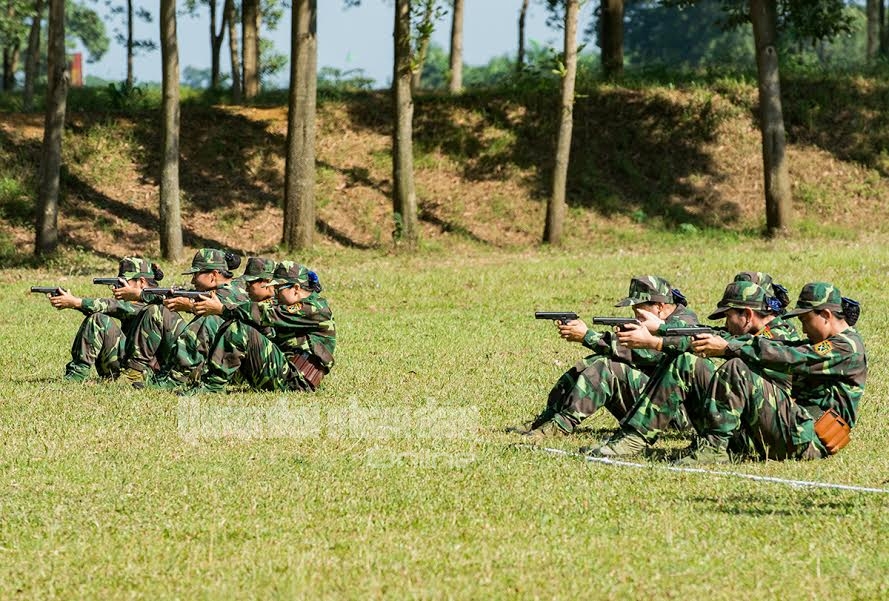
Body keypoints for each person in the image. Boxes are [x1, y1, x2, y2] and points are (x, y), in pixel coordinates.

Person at [587, 277, 799, 457]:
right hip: (747, 428)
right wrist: (661, 328)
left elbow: (748, 346)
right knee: (686, 360)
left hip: (769, 437)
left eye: (728, 316)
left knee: (712, 364)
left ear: (748, 315)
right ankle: (635, 436)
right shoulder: (753, 331)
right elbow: (705, 334)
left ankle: (640, 438)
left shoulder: (781, 335)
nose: (726, 323)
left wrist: (654, 341)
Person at [685, 282, 867, 463]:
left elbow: (792, 357)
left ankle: (714, 450)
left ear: (825, 315)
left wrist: (729, 347)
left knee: (738, 369)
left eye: (805, 320)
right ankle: (715, 444)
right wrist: (728, 343)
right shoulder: (832, 342)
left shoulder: (847, 347)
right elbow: (782, 347)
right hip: (798, 429)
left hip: (809, 439)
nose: (803, 329)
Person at [510, 275, 699, 439]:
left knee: (607, 369)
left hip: (677, 416)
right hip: (658, 404)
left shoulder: (684, 323)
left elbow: (646, 352)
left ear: (659, 306)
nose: (637, 317)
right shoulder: (666, 319)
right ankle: (550, 417)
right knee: (590, 363)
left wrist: (588, 336)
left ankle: (562, 424)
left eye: (639, 312)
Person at [190, 261, 336, 393]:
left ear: (296, 288)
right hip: (286, 372)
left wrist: (222, 309)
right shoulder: (295, 305)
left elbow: (265, 313)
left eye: (278, 289)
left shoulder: (314, 308)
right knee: (239, 322)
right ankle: (201, 376)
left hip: (296, 381)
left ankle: (212, 387)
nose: (274, 294)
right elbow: (257, 315)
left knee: (239, 329)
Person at [120, 248, 248, 388]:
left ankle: (170, 378)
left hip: (218, 366)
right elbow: (174, 296)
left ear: (213, 275)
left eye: (196, 274)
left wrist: (188, 305)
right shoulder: (227, 289)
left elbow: (200, 303)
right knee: (158, 311)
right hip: (208, 359)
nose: (192, 280)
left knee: (159, 312)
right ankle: (136, 371)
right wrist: (141, 294)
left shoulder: (230, 293)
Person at [41, 257, 164, 382]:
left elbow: (114, 306)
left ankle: (77, 374)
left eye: (124, 283)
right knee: (98, 317)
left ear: (141, 282)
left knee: (98, 320)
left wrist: (76, 302)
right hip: (129, 366)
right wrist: (74, 303)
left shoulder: (156, 303)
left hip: (146, 374)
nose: (117, 288)